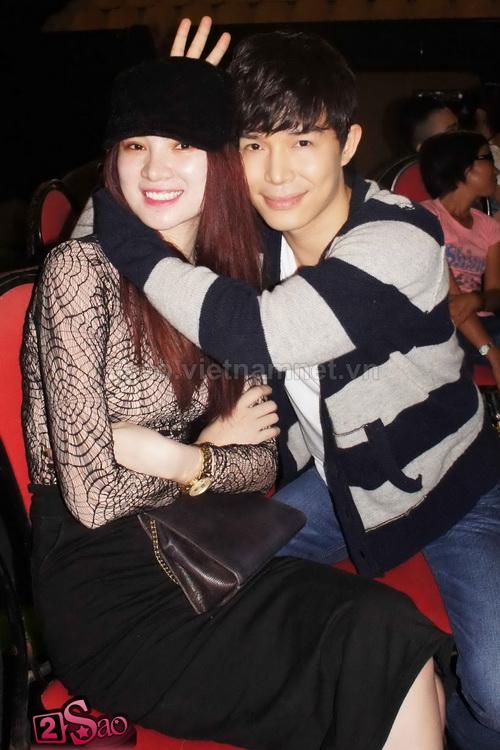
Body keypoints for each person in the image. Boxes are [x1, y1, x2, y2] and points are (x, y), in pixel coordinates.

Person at [21, 56, 449, 750]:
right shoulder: (82, 272)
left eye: (183, 144)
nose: (156, 169)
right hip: (109, 593)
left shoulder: (228, 290)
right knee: (379, 650)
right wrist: (208, 454)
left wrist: (184, 456)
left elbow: (258, 467)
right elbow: (93, 499)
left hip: (207, 553)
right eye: (136, 146)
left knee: (395, 639)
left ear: (222, 161)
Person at [420, 130, 500, 362]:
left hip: (483, 320)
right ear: (462, 166)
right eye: (488, 158)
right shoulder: (425, 217)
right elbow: (451, 299)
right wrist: (491, 353)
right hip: (445, 323)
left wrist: (476, 299)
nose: (496, 170)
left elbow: (495, 293)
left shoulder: (490, 227)